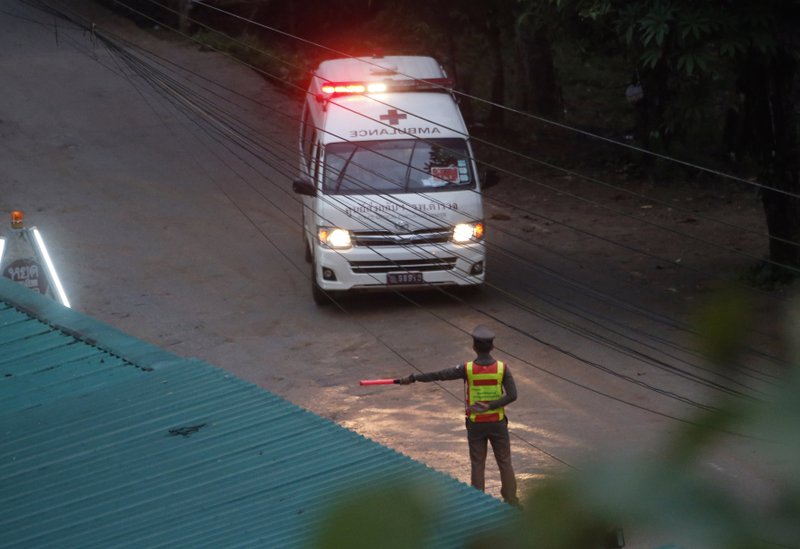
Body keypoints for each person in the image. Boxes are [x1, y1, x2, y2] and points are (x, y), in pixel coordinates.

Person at [398, 325, 519, 505]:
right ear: (492, 347)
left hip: (476, 425)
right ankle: (511, 500)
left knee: (478, 464)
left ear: (474, 347)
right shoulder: (502, 368)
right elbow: (512, 395)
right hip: (498, 423)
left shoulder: (467, 369)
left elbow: (440, 375)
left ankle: (478, 502)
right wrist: (491, 406)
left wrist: (414, 377)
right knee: (505, 462)